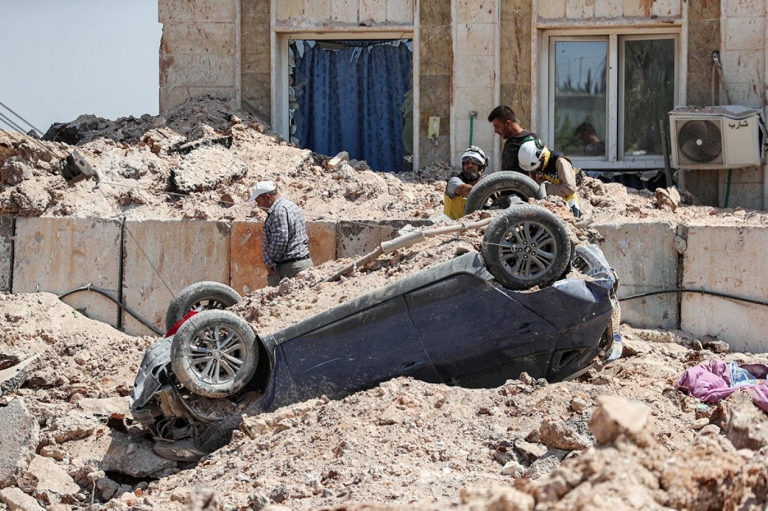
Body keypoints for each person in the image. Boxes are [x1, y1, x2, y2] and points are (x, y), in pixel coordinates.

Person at [248, 180, 313, 286]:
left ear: (268, 197)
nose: (259, 206)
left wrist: (269, 262)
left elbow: (280, 240)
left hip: (289, 268)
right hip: (301, 264)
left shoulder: (278, 211)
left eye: (258, 202)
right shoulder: (291, 206)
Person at [518, 137, 583, 218]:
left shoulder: (560, 162)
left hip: (567, 199)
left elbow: (569, 188)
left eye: (536, 168)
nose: (535, 171)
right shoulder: (536, 163)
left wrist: (545, 188)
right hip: (550, 200)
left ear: (542, 157)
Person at [488, 105, 539, 174]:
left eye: (497, 127)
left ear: (508, 123)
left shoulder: (530, 140)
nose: (495, 131)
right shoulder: (510, 140)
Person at [443, 146, 488, 220]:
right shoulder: (454, 181)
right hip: (452, 225)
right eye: (466, 163)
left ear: (482, 168)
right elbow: (463, 189)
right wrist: (489, 189)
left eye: (474, 163)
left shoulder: (483, 185)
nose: (469, 165)